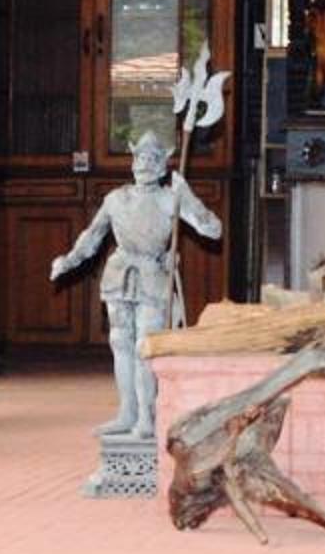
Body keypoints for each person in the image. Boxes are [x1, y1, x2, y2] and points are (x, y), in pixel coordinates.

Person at [49, 130, 223, 438]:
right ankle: (127, 412)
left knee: (146, 345)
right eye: (140, 157)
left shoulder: (170, 198)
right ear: (132, 162)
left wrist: (188, 196)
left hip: (152, 276)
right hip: (119, 275)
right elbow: (92, 235)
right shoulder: (116, 199)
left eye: (153, 158)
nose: (145, 163)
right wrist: (68, 260)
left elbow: (213, 229)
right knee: (120, 343)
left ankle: (146, 416)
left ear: (163, 165)